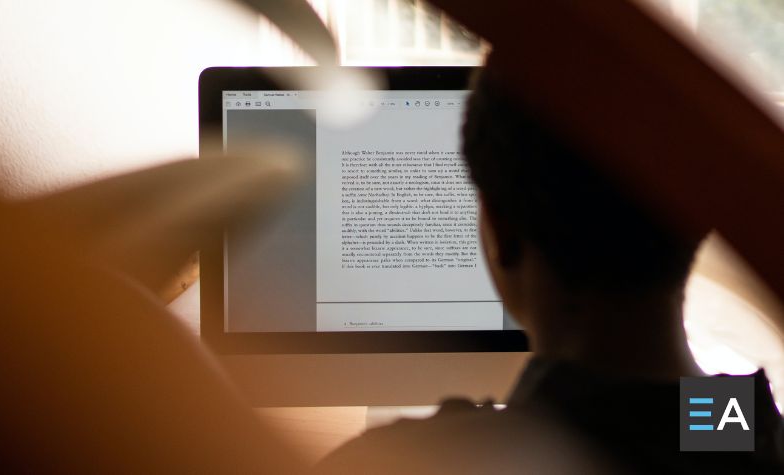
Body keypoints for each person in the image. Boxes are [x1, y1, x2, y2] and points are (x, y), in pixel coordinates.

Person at [315, 54, 784, 474]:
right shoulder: (740, 430)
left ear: (500, 232)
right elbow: (681, 420)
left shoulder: (398, 465)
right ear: (699, 224)